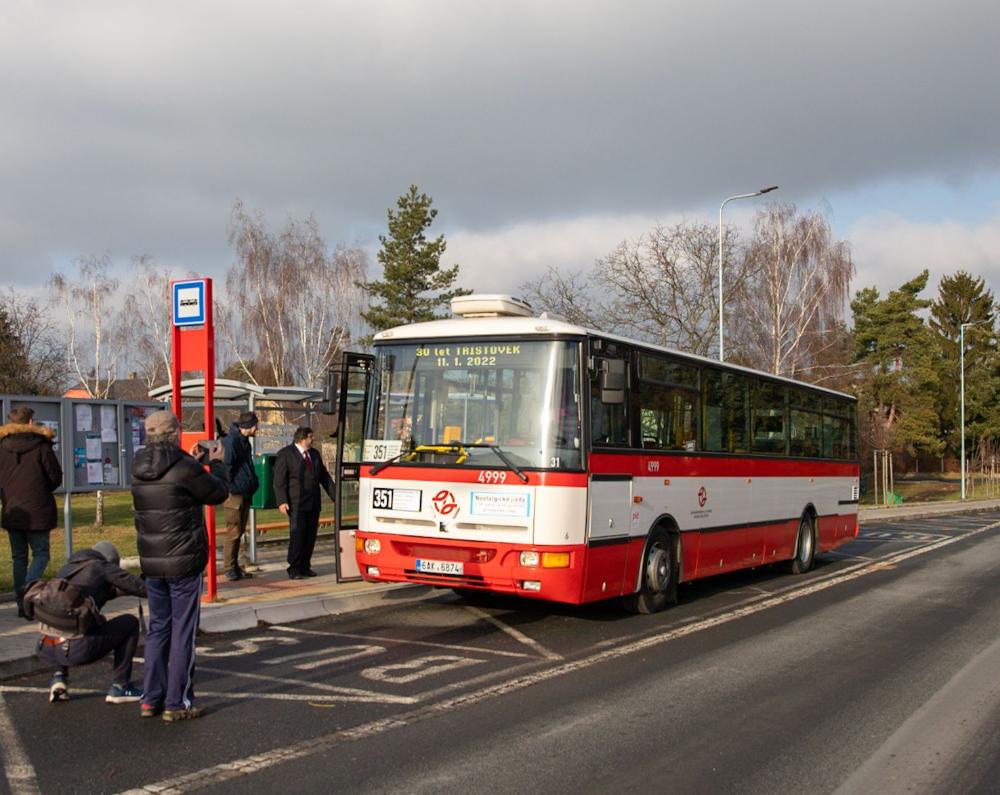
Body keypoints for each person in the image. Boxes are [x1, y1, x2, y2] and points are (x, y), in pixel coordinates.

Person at [132, 411, 229, 722]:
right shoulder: (185, 467)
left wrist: (193, 460)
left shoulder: (138, 466)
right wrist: (216, 463)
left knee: (158, 629)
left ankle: (150, 698)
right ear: (174, 433)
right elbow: (218, 492)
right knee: (183, 632)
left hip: (152, 559)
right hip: (183, 559)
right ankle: (178, 701)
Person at [33, 541, 147, 704]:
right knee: (130, 622)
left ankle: (59, 677)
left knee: (63, 621)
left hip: (46, 648)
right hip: (77, 651)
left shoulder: (67, 569)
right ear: (110, 561)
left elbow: (105, 592)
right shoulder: (102, 567)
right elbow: (141, 588)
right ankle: (120, 687)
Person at [0, 406, 63, 618]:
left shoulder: (2, 447)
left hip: (13, 510)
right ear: (29, 422)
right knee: (41, 554)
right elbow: (55, 477)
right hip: (38, 510)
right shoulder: (42, 446)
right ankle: (27, 593)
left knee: (19, 557)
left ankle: (21, 603)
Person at [274, 427, 335, 579]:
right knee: (298, 535)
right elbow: (279, 481)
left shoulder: (314, 454)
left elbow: (324, 477)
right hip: (296, 503)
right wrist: (282, 501)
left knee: (310, 536)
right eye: (310, 437)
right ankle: (294, 567)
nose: (313, 439)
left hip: (313, 503)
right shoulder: (286, 454)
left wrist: (336, 495)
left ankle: (305, 566)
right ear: (302, 439)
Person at [221, 411, 259, 581]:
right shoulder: (232, 443)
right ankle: (229, 568)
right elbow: (226, 468)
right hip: (235, 495)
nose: (257, 428)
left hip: (244, 491)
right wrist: (232, 488)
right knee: (233, 531)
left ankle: (235, 566)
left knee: (240, 531)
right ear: (248, 426)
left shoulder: (244, 443)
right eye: (255, 425)